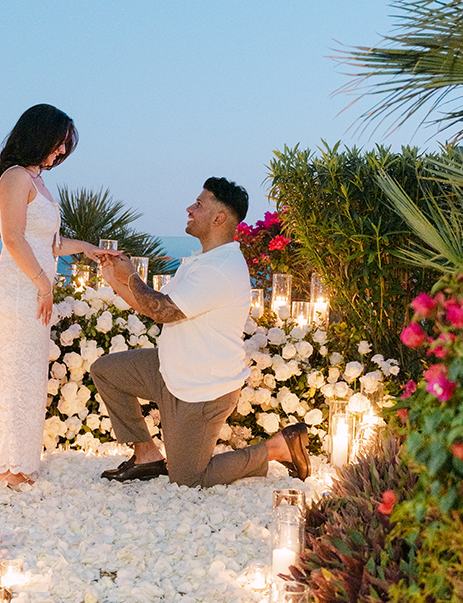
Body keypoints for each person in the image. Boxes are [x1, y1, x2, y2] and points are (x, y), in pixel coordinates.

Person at [91, 177, 310, 486]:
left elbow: (162, 310)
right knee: (107, 371)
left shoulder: (219, 270)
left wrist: (132, 276)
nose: (189, 209)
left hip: (202, 387)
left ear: (219, 218)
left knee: (189, 478)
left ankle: (277, 448)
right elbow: (153, 304)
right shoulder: (202, 261)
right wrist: (116, 278)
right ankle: (146, 456)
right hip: (170, 368)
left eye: (198, 204)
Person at [0, 104, 103, 487]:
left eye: (66, 145)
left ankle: (19, 462)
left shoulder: (36, 181)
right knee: (14, 374)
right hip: (20, 288)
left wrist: (88, 249)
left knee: (29, 375)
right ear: (39, 136)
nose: (63, 152)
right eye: (59, 142)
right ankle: (5, 465)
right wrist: (42, 283)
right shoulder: (15, 177)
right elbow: (13, 237)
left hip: (33, 287)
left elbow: (49, 242)